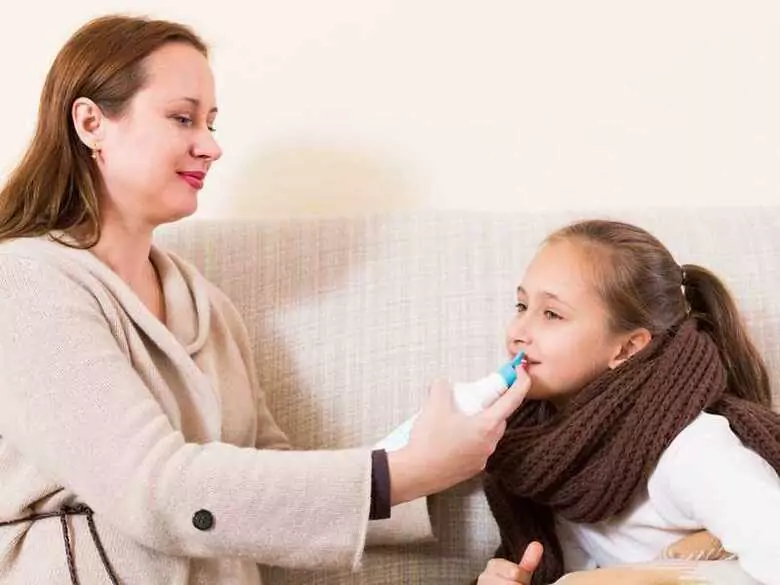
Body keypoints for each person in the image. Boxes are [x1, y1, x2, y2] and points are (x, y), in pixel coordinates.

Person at [0, 15, 531, 584]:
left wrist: (426, 462)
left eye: (210, 122)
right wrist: (403, 473)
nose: (211, 145)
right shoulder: (25, 283)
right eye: (183, 118)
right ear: (90, 123)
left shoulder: (208, 306)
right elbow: (156, 489)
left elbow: (265, 477)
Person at [475, 219, 780, 584]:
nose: (518, 333)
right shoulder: (548, 452)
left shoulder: (691, 451)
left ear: (627, 348)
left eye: (551, 314)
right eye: (521, 305)